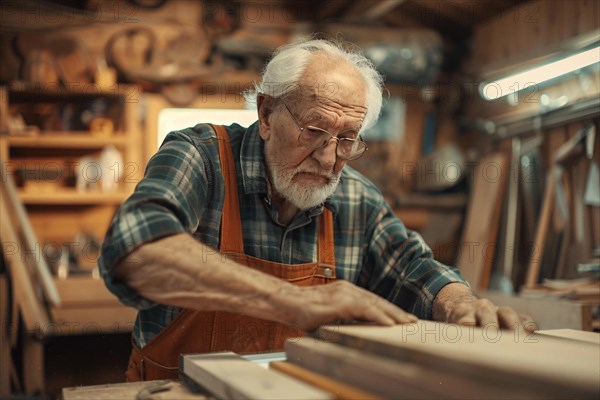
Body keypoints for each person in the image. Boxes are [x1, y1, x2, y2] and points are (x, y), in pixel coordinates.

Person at [99, 39, 534, 381]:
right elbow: (134, 249)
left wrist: (459, 304)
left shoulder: (354, 198)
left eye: (348, 139)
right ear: (267, 114)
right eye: (314, 130)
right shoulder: (202, 156)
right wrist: (294, 301)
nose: (329, 159)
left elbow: (412, 268)